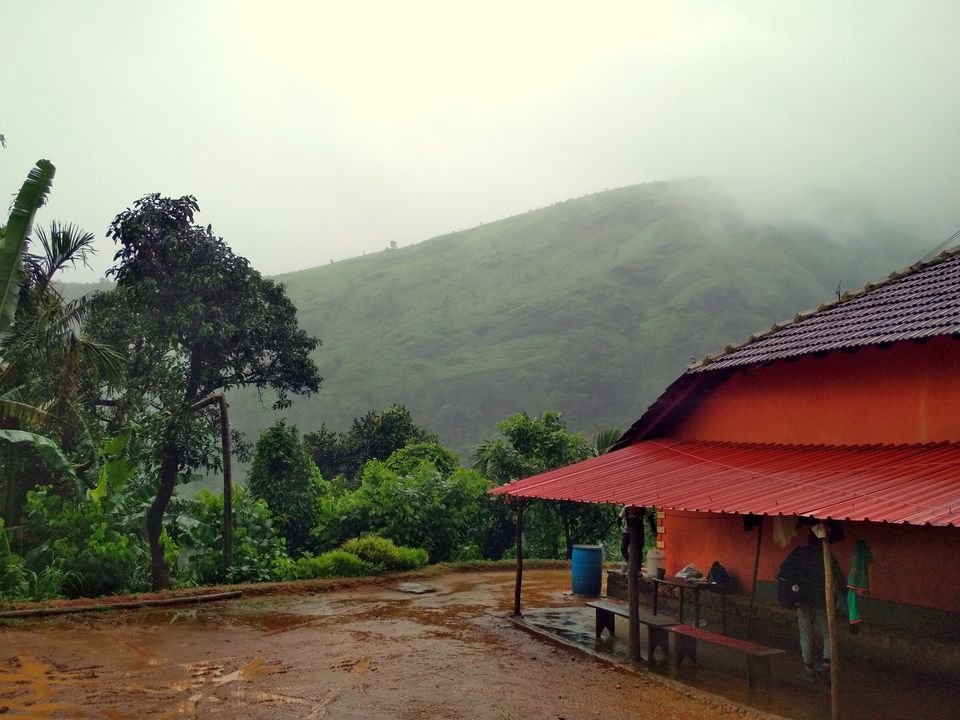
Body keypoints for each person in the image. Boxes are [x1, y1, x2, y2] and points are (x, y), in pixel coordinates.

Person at [778, 530, 845, 682]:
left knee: (805, 634)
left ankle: (809, 670)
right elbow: (840, 580)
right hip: (823, 601)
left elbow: (783, 573)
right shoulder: (827, 556)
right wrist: (848, 597)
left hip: (802, 600)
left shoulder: (798, 554)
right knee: (828, 634)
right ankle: (827, 666)